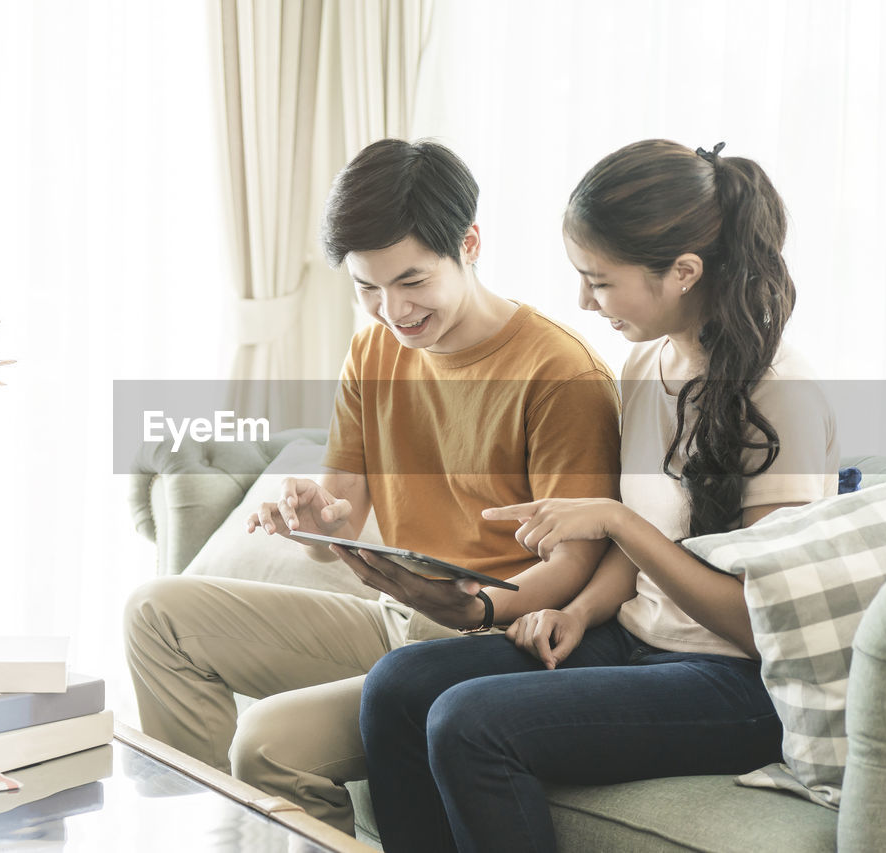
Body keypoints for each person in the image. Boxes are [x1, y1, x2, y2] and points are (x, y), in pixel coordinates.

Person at [123, 138, 622, 834]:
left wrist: (474, 607)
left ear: (469, 244)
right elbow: (341, 519)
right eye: (367, 287)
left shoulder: (561, 374)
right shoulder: (375, 347)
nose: (392, 309)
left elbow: (575, 564)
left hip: (494, 644)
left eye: (412, 281)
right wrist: (316, 517)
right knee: (156, 613)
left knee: (266, 743)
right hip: (403, 621)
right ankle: (206, 837)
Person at [359, 139, 841, 853]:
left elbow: (757, 623)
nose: (584, 300)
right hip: (640, 640)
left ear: (683, 272)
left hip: (740, 684)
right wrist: (577, 611)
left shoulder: (781, 395)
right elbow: (641, 550)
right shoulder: (647, 364)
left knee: (470, 722)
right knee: (399, 683)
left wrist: (614, 520)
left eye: (601, 280)